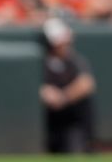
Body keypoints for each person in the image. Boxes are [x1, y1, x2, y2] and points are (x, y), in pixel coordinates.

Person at [40, 18, 96, 153]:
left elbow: (87, 83)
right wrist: (44, 92)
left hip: (72, 118)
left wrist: (63, 97)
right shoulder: (41, 61)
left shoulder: (74, 61)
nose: (65, 45)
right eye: (60, 43)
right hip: (49, 120)